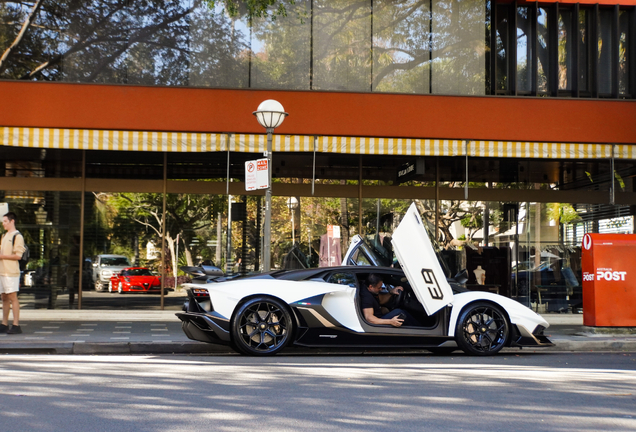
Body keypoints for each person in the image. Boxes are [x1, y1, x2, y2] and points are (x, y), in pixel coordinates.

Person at [0, 212, 26, 334]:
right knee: (4, 297)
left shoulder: (17, 236)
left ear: (12, 221)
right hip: (3, 271)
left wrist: (2, 256)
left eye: (5, 221)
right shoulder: (5, 235)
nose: (3, 223)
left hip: (11, 272)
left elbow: (18, 256)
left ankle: (16, 324)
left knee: (12, 297)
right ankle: (4, 323)